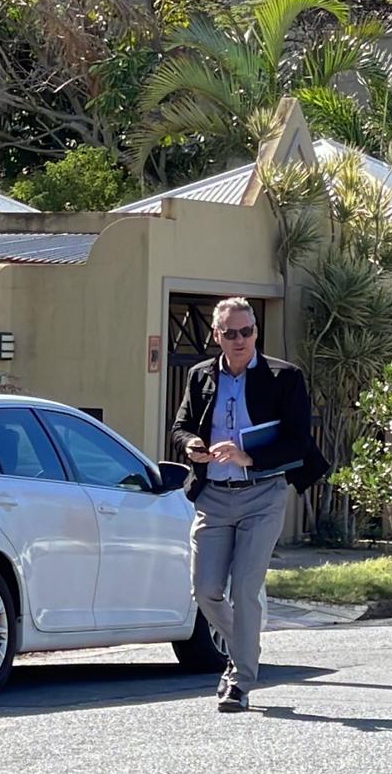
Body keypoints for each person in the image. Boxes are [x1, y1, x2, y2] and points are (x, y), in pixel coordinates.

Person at [171, 296, 328, 712]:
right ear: (216, 336)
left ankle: (239, 681)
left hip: (263, 494)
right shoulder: (201, 376)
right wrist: (192, 446)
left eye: (247, 331)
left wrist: (249, 457)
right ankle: (248, 647)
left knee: (244, 587)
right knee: (204, 591)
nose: (239, 340)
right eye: (230, 333)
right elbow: (180, 426)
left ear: (256, 333)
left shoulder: (283, 377)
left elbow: (299, 442)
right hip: (214, 497)